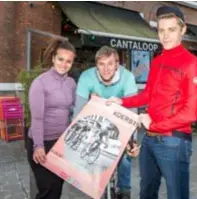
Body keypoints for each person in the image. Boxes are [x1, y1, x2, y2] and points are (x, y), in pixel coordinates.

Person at [107, 6, 197, 199]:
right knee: (146, 193)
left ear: (183, 30)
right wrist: (121, 101)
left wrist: (154, 124)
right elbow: (148, 94)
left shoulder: (193, 64)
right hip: (150, 139)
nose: (165, 36)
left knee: (177, 195)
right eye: (161, 30)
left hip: (174, 142)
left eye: (171, 30)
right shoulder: (158, 61)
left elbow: (191, 113)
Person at [73, 46, 139, 199]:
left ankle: (124, 191)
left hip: (121, 118)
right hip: (96, 118)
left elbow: (133, 112)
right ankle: (98, 190)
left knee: (125, 160)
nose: (106, 69)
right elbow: (78, 111)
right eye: (101, 64)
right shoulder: (86, 77)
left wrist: (133, 142)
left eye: (110, 63)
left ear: (117, 64)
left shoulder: (127, 77)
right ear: (96, 65)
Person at [26, 38, 76, 199]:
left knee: (57, 190)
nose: (64, 64)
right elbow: (37, 118)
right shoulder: (40, 83)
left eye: (69, 61)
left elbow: (74, 110)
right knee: (47, 191)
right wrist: (38, 146)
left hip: (61, 144)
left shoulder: (71, 83)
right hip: (43, 143)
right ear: (53, 58)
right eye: (61, 59)